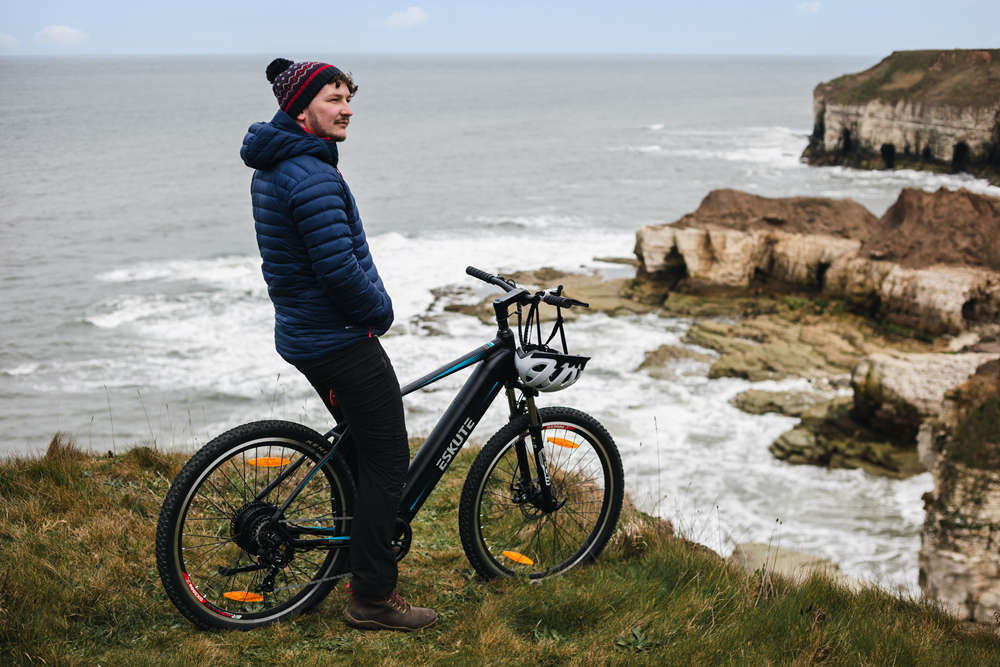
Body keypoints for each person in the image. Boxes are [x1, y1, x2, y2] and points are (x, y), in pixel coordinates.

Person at [240, 58, 437, 631]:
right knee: (387, 462)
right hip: (338, 337)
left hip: (303, 331)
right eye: (333, 98)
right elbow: (338, 269)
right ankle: (372, 598)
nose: (346, 108)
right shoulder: (313, 174)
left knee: (356, 454)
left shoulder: (278, 164)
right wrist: (381, 311)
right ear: (301, 108)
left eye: (349, 97)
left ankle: (355, 559)